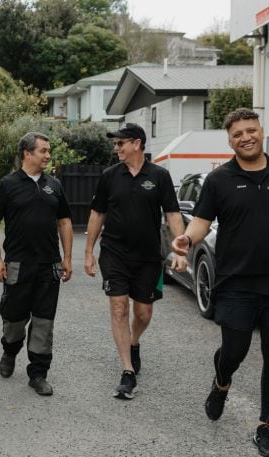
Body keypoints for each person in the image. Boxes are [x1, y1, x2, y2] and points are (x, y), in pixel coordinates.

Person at [172, 108, 269, 457]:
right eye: (238, 134)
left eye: (251, 130)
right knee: (234, 350)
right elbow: (201, 223)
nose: (246, 137)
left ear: (261, 131)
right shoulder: (220, 181)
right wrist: (186, 239)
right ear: (230, 140)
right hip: (236, 282)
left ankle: (265, 427)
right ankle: (221, 383)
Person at [84, 123, 186, 400]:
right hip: (114, 253)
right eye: (115, 144)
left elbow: (173, 214)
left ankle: (134, 341)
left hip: (148, 257)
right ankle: (127, 371)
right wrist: (88, 252)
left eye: (120, 143)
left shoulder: (160, 176)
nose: (116, 148)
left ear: (137, 143)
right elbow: (97, 215)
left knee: (143, 314)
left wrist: (180, 249)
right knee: (118, 308)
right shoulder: (108, 176)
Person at [0, 131, 73, 396]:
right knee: (13, 319)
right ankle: (10, 350)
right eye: (43, 151)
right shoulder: (7, 184)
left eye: (48, 151)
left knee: (44, 321)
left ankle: (38, 373)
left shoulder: (54, 185)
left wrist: (67, 257)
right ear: (27, 153)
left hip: (49, 265)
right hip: (17, 264)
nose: (48, 155)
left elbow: (64, 222)